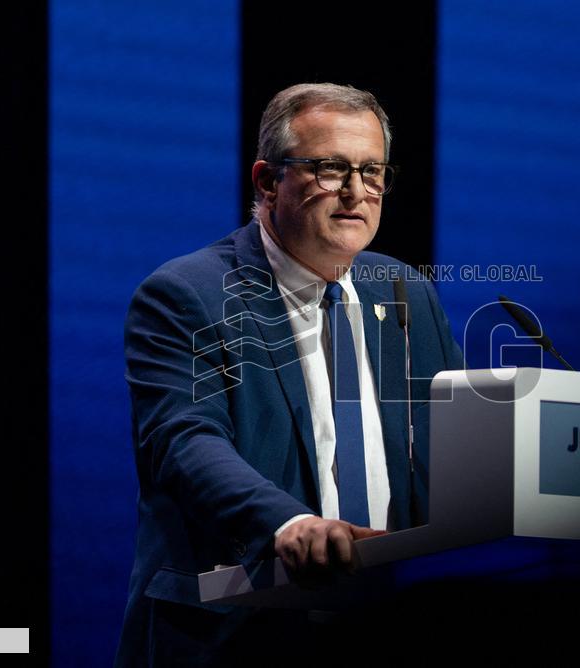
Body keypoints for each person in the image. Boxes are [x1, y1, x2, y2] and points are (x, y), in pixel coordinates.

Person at [115, 83, 463, 666]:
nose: (356, 192)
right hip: (242, 634)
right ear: (268, 181)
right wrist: (289, 523)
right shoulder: (187, 295)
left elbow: (456, 441)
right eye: (329, 169)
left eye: (372, 172)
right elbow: (184, 440)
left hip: (393, 627)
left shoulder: (407, 292)